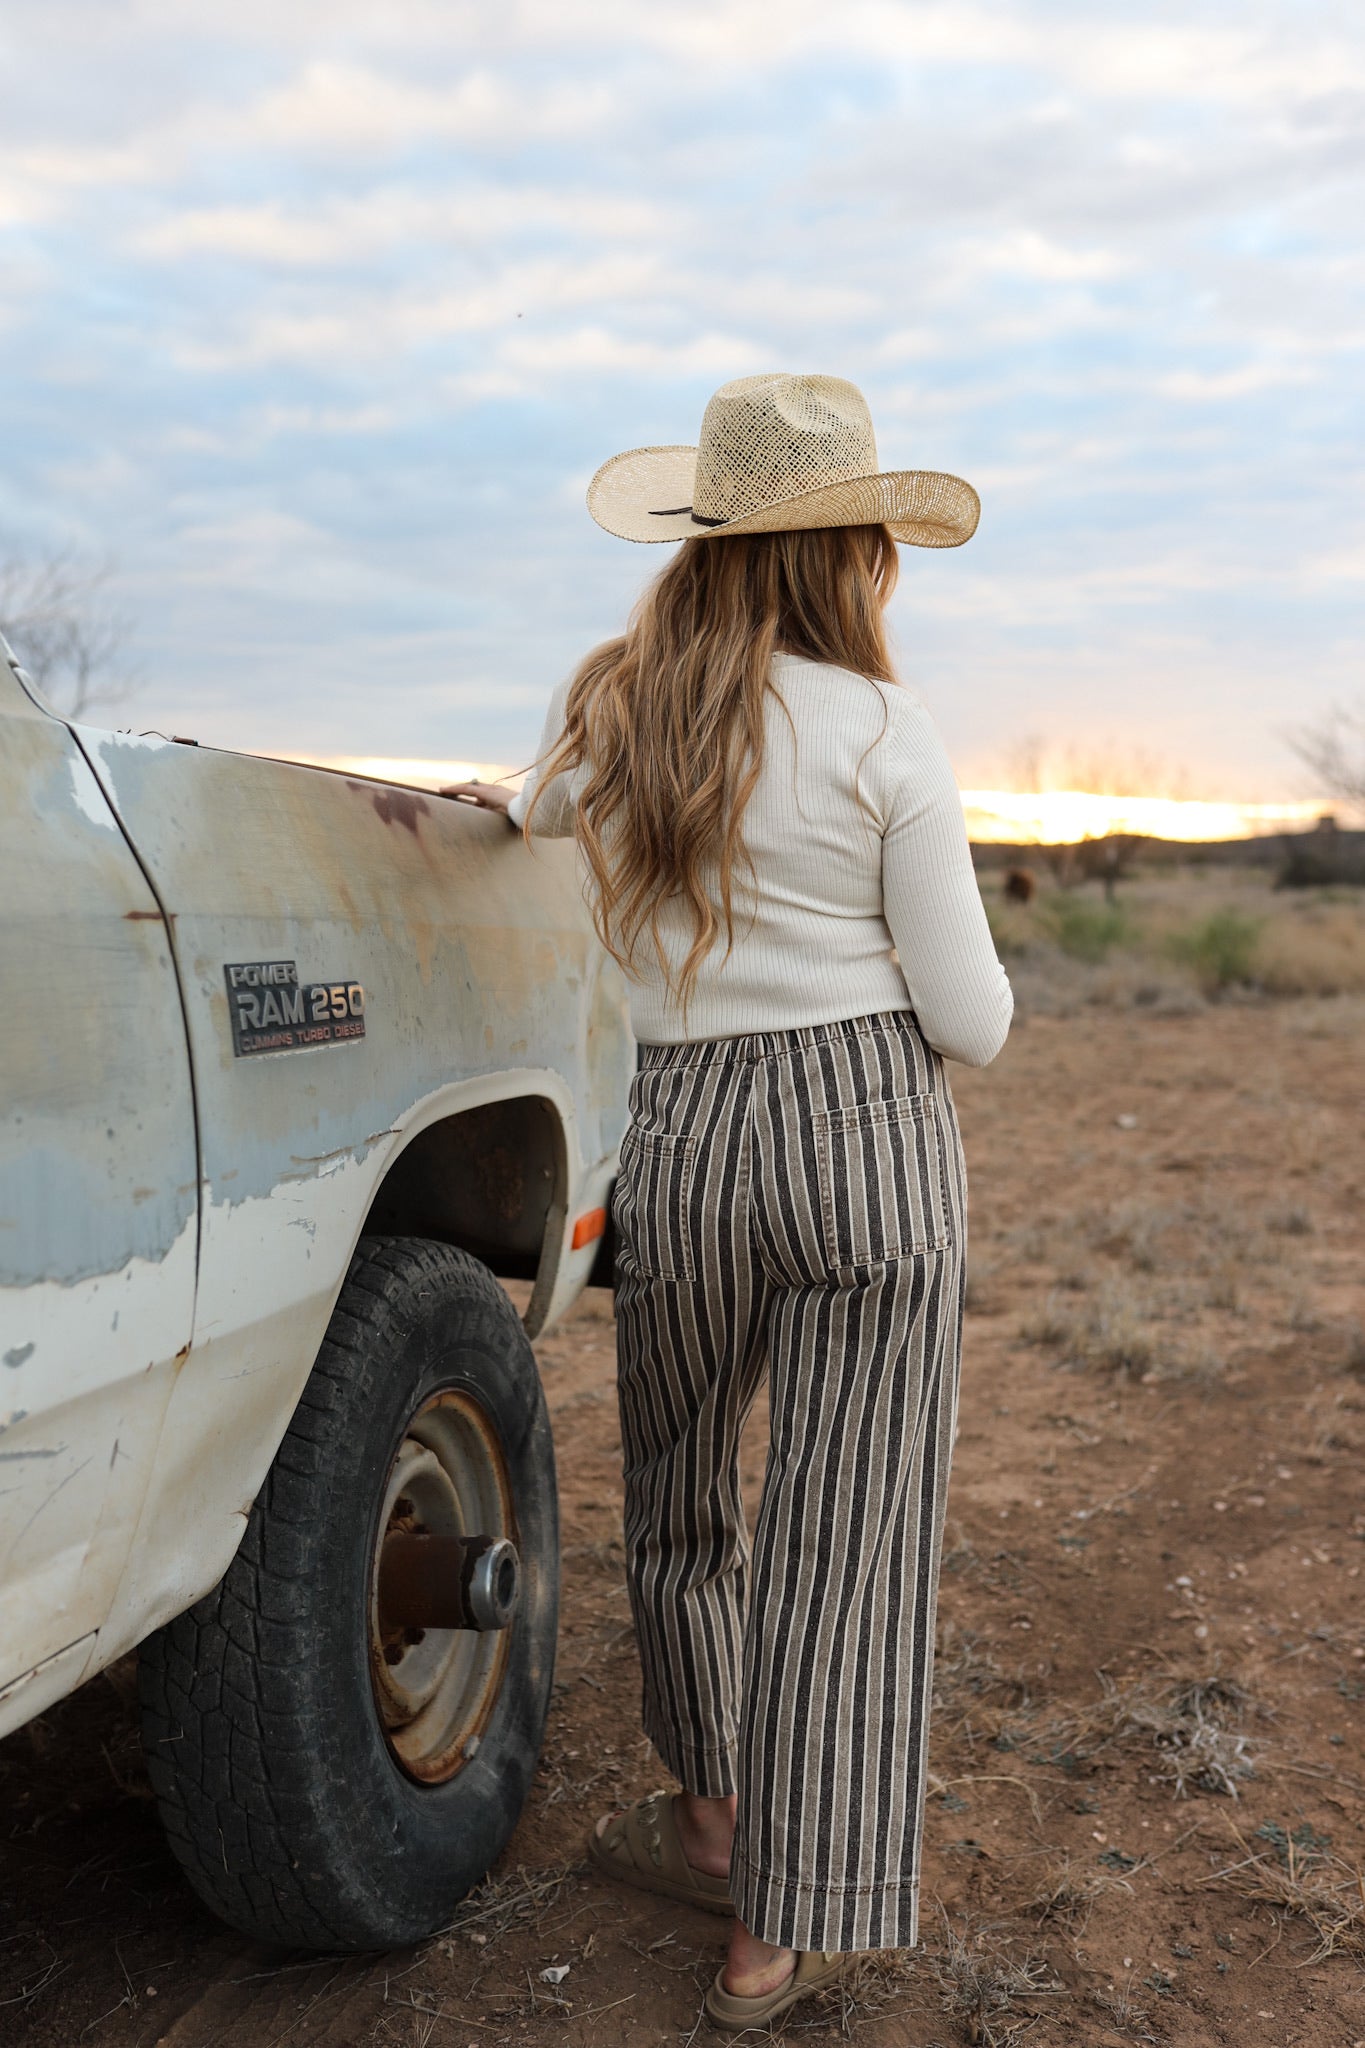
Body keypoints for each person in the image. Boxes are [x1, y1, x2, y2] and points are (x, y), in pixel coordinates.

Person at [446, 372, 1012, 2032]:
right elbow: (968, 1022)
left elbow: (522, 811)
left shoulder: (625, 707)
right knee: (851, 1536)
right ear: (853, 551)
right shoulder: (884, 729)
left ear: (701, 540)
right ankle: (784, 1924)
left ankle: (707, 1812)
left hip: (681, 1136)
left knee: (684, 1481)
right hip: (864, 1140)